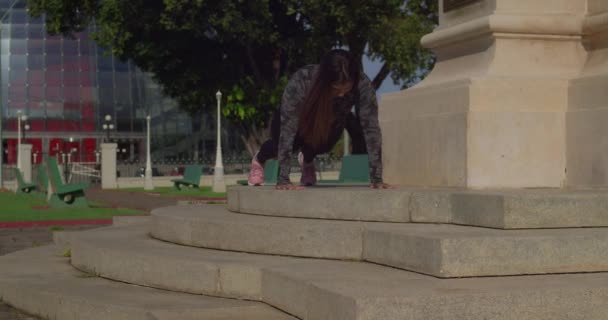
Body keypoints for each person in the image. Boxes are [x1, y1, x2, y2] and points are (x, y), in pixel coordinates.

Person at [248, 49, 393, 190]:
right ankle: (259, 160)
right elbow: (287, 131)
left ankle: (307, 161)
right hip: (292, 122)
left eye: (346, 89)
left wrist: (377, 178)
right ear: (324, 81)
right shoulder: (302, 80)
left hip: (325, 124)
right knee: (282, 144)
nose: (342, 95)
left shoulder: (363, 85)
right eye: (336, 89)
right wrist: (283, 179)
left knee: (323, 143)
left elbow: (371, 129)